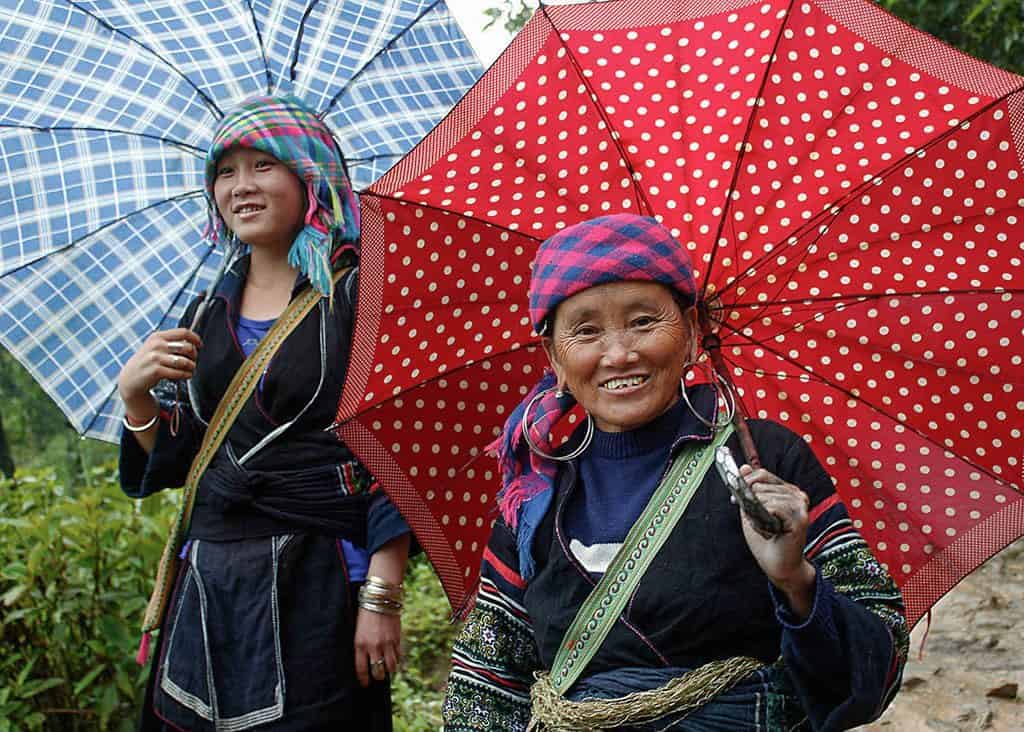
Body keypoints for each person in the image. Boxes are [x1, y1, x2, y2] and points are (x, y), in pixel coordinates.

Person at [442, 214, 909, 731]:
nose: (619, 354)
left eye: (643, 321)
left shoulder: (769, 463)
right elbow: (485, 682)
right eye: (587, 331)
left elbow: (877, 669)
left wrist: (794, 580)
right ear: (554, 357)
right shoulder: (535, 496)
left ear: (690, 331)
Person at [118, 95, 411, 731]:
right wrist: (137, 398)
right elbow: (188, 462)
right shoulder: (204, 312)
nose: (240, 187)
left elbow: (392, 446)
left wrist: (382, 594)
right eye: (225, 172)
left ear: (310, 176)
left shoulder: (362, 296)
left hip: (320, 578)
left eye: (262, 166)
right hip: (210, 584)